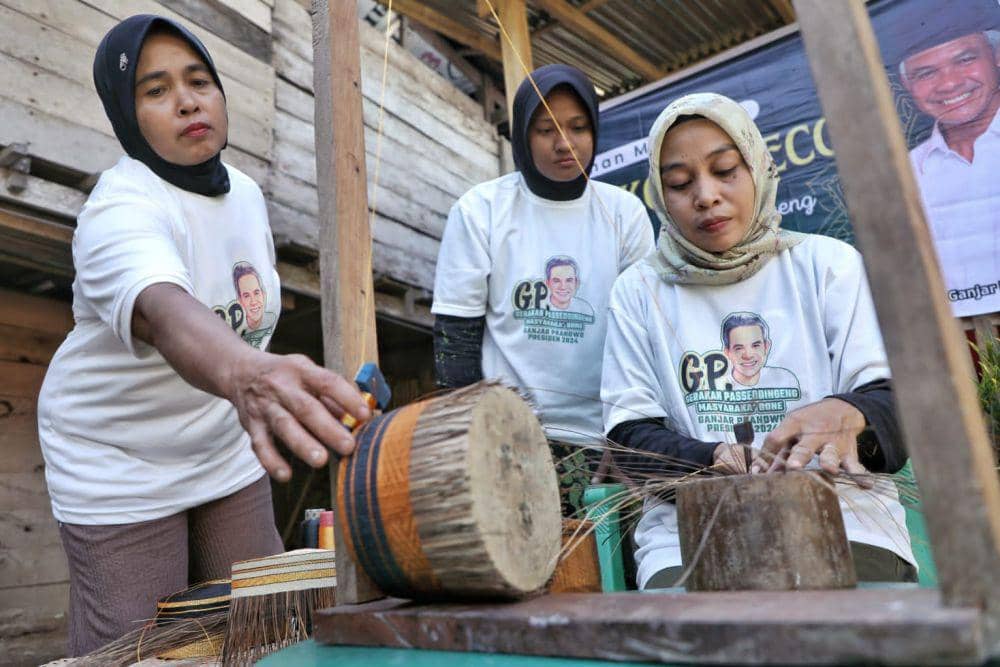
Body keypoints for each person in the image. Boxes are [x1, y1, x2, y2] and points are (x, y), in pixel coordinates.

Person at [36, 16, 369, 655]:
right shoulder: (119, 209)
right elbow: (164, 311)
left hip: (221, 447)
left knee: (264, 635)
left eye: (199, 81)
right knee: (145, 653)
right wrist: (249, 373)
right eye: (156, 90)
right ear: (125, 114)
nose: (188, 101)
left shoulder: (245, 194)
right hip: (119, 460)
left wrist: (253, 379)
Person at [601, 93, 917, 590]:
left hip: (848, 522)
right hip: (689, 539)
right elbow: (629, 437)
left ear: (758, 168)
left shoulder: (827, 266)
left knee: (841, 622)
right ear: (661, 197)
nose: (706, 195)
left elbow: (895, 407)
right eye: (680, 183)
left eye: (725, 170)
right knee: (699, 625)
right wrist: (710, 459)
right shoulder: (639, 291)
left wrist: (849, 415)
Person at [432, 64, 654, 515]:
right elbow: (456, 346)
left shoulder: (624, 213)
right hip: (510, 441)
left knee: (611, 558)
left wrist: (630, 437)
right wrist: (474, 444)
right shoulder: (481, 210)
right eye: (545, 129)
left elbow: (643, 340)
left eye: (578, 127)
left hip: (607, 445)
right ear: (521, 135)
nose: (564, 143)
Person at [897, 0, 1000, 317]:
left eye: (965, 59)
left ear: (997, 56)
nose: (950, 83)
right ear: (907, 85)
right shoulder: (905, 174)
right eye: (926, 73)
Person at [720, 312, 797, 388]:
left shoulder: (786, 379)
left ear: (766, 347)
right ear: (727, 352)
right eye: (739, 348)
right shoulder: (718, 386)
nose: (748, 355)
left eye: (755, 345)